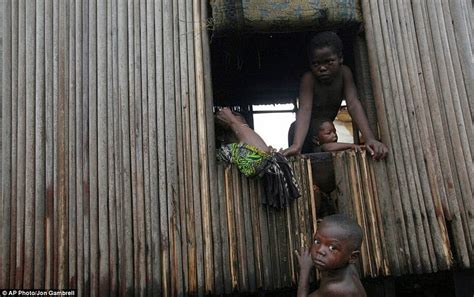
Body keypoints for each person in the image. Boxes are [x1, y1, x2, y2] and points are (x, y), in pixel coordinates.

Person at [282, 31, 388, 160]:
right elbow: (305, 109)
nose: (322, 68)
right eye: (316, 64)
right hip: (302, 134)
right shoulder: (309, 79)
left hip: (325, 134)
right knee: (299, 163)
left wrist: (370, 138)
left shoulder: (344, 73)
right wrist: (296, 144)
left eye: (329, 62)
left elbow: (353, 104)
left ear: (340, 59)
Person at [215, 107, 300, 208]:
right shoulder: (226, 152)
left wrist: (232, 121)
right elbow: (261, 160)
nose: (232, 115)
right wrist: (233, 121)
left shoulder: (257, 149)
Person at [295, 214, 366, 297]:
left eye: (332, 248)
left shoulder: (334, 289)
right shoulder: (347, 266)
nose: (320, 251)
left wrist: (304, 270)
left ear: (352, 257)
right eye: (317, 242)